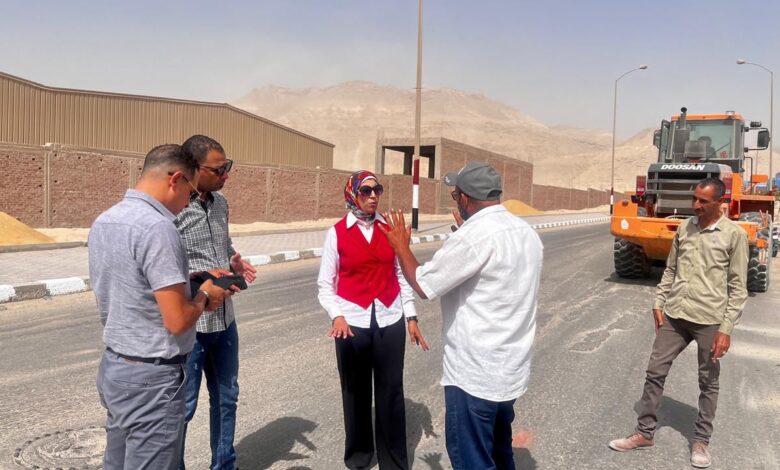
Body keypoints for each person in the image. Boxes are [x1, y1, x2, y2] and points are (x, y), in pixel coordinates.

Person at [380, 161, 544, 470]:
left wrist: (401, 246)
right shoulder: (526, 233)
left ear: (465, 199)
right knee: (500, 451)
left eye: (455, 196)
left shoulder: (474, 238)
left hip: (475, 377)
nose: (456, 201)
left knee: (472, 460)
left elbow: (424, 284)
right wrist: (464, 236)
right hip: (510, 372)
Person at [89, 144, 232, 470]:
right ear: (176, 179)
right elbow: (178, 321)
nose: (188, 204)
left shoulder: (106, 220)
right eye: (190, 193)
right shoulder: (158, 228)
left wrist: (189, 279)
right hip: (152, 378)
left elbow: (132, 285)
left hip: (115, 367)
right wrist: (205, 295)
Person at [608, 178, 748, 469]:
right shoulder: (685, 228)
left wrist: (726, 329)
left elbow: (738, 287)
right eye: (694, 199)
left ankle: (701, 441)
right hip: (676, 314)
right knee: (654, 371)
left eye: (703, 201)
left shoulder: (734, 235)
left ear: (720, 203)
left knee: (708, 381)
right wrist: (658, 303)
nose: (696, 205)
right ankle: (644, 433)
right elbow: (670, 270)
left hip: (710, 319)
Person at [317, 170, 428, 470]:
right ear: (352, 194)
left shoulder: (389, 229)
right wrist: (337, 315)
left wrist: (411, 317)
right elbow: (325, 285)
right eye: (365, 191)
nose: (373, 196)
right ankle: (359, 457)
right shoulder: (337, 232)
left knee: (391, 391)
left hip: (390, 318)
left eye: (377, 190)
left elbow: (403, 276)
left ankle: (393, 462)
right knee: (355, 392)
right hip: (351, 323)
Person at [176, 135, 257, 470]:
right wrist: (200, 278)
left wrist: (234, 261)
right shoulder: (175, 208)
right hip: (192, 324)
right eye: (219, 169)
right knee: (183, 408)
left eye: (228, 167)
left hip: (225, 321)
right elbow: (164, 268)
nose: (226, 174)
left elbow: (223, 245)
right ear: (194, 168)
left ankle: (224, 465)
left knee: (226, 398)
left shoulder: (221, 204)